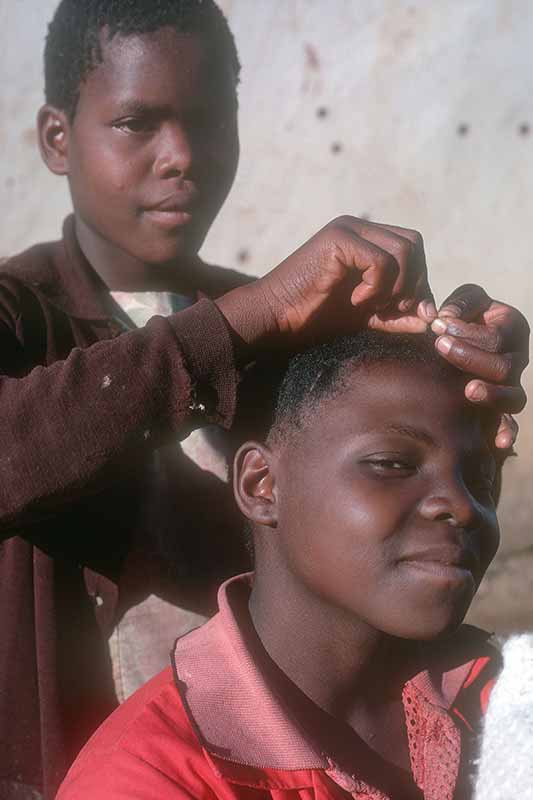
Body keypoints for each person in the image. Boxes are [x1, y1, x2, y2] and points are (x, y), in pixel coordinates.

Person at [0, 0, 528, 797]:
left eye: (209, 119)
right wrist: (251, 318)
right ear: (57, 139)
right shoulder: (20, 315)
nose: (181, 155)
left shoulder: (286, 325)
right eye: (137, 124)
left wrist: (456, 371)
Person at [56, 328, 512, 800]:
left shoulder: (502, 696)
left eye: (481, 476)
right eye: (392, 463)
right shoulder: (149, 778)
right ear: (262, 485)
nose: (463, 505)